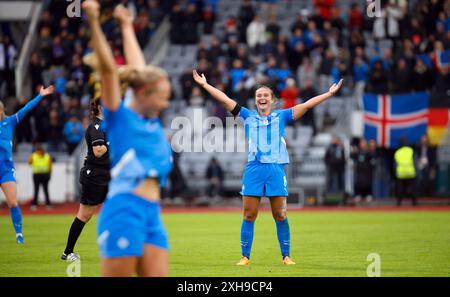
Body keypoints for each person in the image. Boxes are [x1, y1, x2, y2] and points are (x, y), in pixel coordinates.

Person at [193, 68, 343, 266]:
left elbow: (306, 106)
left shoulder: (282, 116)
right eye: (258, 96)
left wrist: (329, 94)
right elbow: (225, 99)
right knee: (249, 214)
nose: (262, 98)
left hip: (274, 169)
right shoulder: (247, 115)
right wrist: (205, 85)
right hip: (254, 169)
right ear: (255, 100)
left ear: (273, 100)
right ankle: (245, 257)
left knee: (280, 214)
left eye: (265, 95)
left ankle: (286, 256)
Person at [82, 1, 173, 276]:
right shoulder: (119, 116)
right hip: (125, 210)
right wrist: (95, 22)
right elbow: (109, 71)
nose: (165, 104)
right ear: (144, 93)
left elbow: (138, 69)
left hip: (151, 213)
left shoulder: (149, 119)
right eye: (162, 97)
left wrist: (125, 25)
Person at [0, 85, 54, 244]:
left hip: (5, 169)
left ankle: (19, 235)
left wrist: (40, 95)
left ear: (2, 112)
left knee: (12, 202)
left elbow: (26, 109)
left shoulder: (9, 122)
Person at [61, 97, 110, 262]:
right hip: (95, 175)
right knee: (84, 215)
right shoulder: (96, 126)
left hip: (107, 174)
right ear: (101, 108)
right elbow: (98, 151)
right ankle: (68, 252)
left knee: (123, 207)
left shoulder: (108, 125)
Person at [28, 143, 53, 210]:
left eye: (40, 150)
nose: (39, 152)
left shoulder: (47, 156)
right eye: (38, 150)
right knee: (36, 189)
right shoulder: (33, 155)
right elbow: (29, 162)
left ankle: (48, 204)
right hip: (36, 174)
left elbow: (50, 166)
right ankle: (34, 204)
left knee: (45, 189)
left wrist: (50, 174)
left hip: (45, 174)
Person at [394, 137, 417, 206]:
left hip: (400, 174)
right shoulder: (411, 151)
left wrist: (395, 173)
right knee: (413, 189)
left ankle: (398, 203)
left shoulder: (397, 152)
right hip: (411, 173)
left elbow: (394, 164)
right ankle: (414, 203)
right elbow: (415, 162)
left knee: (400, 190)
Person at [351, 139, 374, 203]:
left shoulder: (368, 152)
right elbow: (352, 157)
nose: (362, 144)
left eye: (364, 143)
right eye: (361, 143)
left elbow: (372, 160)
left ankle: (368, 195)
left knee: (367, 182)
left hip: (367, 170)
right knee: (358, 182)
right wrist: (353, 151)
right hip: (359, 170)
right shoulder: (358, 152)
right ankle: (358, 195)